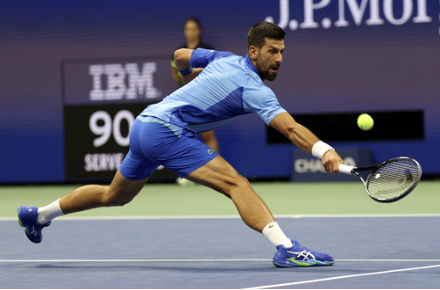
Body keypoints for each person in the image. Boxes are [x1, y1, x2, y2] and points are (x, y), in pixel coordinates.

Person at [18, 21, 344, 268]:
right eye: (273, 52)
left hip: (145, 123)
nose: (279, 59)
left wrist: (188, 79)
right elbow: (289, 128)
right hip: (166, 130)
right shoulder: (255, 89)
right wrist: (323, 150)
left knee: (113, 196)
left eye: (282, 52)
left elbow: (180, 56)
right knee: (237, 183)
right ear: (254, 52)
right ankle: (285, 247)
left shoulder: (222, 58)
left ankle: (39, 215)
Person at [170, 18, 219, 156]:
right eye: (188, 29)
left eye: (194, 29)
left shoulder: (207, 50)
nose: (191, 32)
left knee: (207, 135)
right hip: (186, 98)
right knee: (185, 136)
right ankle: (190, 173)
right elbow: (175, 74)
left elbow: (214, 73)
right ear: (185, 32)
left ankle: (216, 172)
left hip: (205, 98)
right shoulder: (178, 52)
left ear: (199, 31)